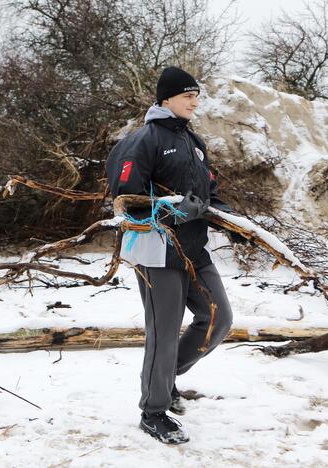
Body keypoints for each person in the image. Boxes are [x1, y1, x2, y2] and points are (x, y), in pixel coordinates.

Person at [106, 66, 233, 444]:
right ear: (166, 99)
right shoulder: (142, 140)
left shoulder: (193, 142)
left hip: (195, 250)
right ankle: (154, 410)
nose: (195, 101)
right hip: (157, 251)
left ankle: (164, 378)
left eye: (197, 95)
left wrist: (231, 220)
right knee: (162, 334)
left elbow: (207, 191)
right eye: (187, 95)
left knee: (217, 318)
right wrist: (176, 210)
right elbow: (127, 202)